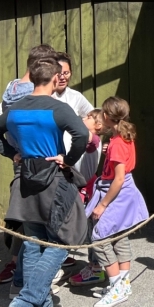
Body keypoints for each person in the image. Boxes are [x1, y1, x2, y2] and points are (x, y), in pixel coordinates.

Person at [0, 56, 89, 307]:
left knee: (33, 242)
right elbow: (81, 134)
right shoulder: (58, 107)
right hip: (53, 179)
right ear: (54, 79)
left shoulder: (15, 109)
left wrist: (12, 153)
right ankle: (26, 303)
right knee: (61, 241)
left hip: (26, 178)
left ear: (32, 79)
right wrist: (67, 159)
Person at [0, 43, 58, 286]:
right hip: (38, 159)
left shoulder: (12, 88)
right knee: (39, 223)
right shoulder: (32, 92)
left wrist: (11, 152)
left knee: (27, 219)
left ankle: (21, 274)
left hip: (20, 156)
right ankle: (31, 278)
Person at [85, 97, 149, 307]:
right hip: (118, 189)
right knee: (119, 235)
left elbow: (119, 179)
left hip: (117, 192)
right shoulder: (118, 138)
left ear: (105, 116)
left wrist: (102, 204)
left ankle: (117, 286)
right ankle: (123, 282)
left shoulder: (118, 143)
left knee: (100, 238)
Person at [69, 109, 108, 289]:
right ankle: (93, 265)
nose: (84, 118)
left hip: (89, 192)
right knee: (89, 230)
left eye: (89, 117)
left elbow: (90, 140)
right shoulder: (84, 138)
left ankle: (97, 268)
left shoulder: (94, 140)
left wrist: (68, 120)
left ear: (98, 125)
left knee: (93, 231)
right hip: (83, 189)